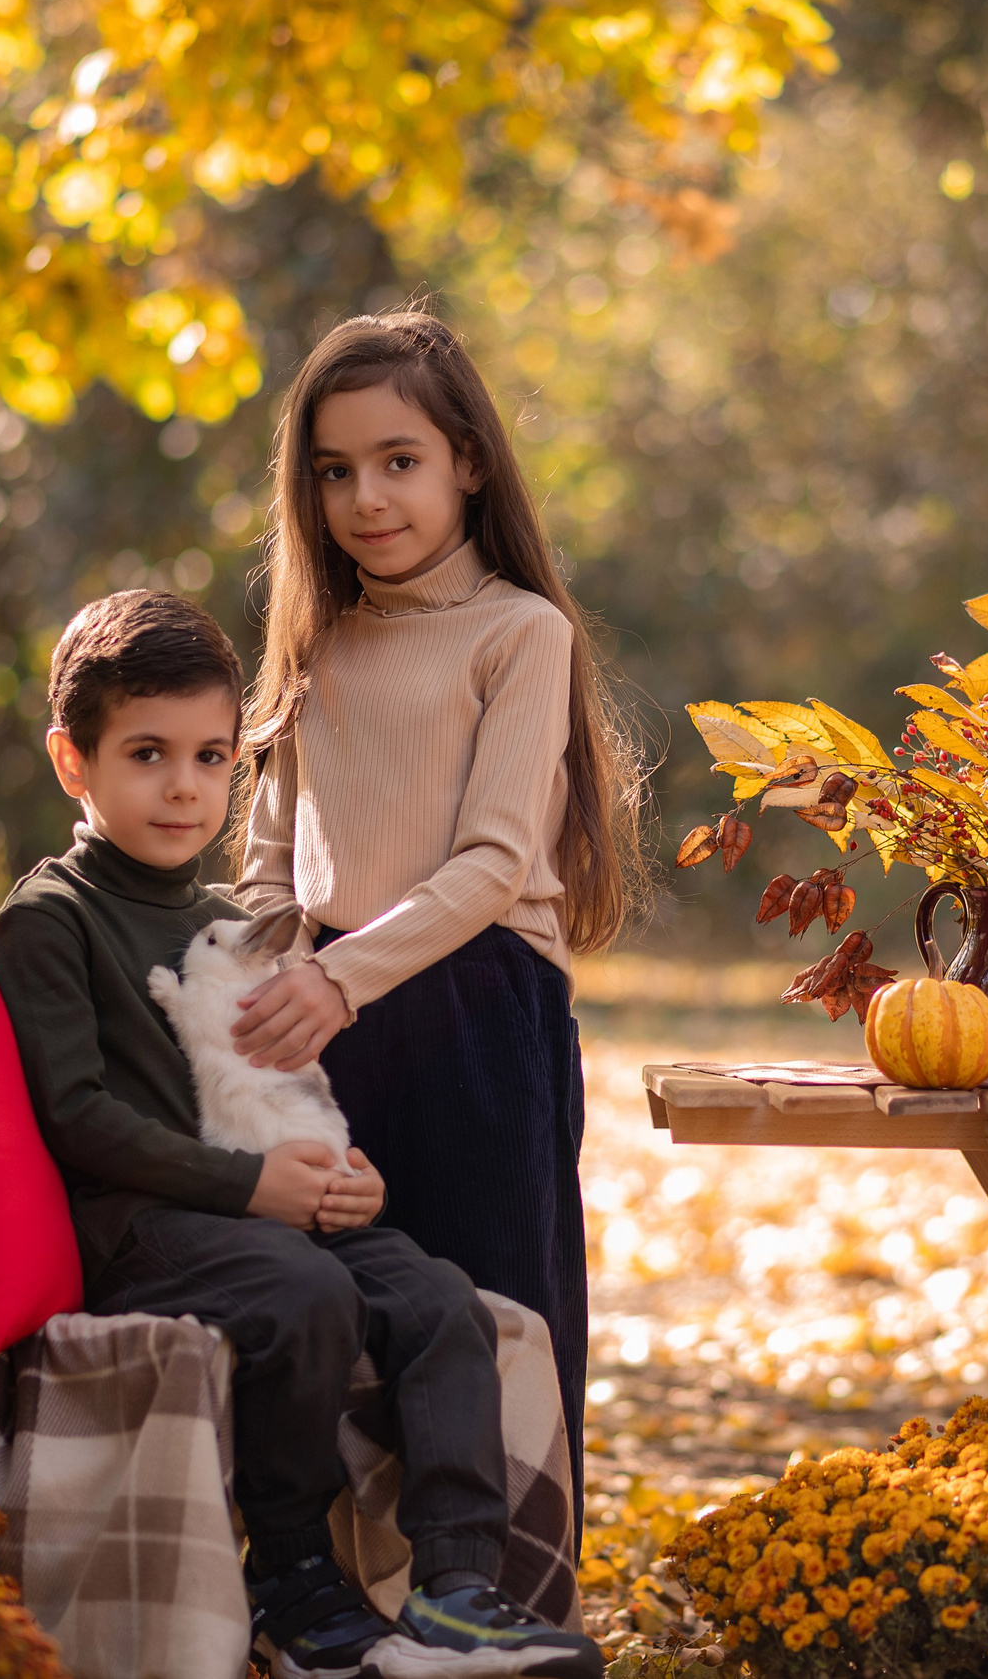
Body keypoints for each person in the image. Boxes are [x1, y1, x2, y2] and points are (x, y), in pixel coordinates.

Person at [0, 589, 599, 1679]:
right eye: (146, 753)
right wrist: (250, 1186)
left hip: (268, 1200)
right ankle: (293, 1577)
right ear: (73, 763)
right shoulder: (53, 917)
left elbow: (283, 1083)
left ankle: (457, 1587)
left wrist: (342, 1169)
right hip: (147, 1222)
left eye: (212, 754)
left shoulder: (231, 919)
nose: (184, 785)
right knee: (305, 1297)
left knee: (437, 1296)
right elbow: (78, 1117)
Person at [231, 311, 645, 1496]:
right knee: (348, 1304)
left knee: (491, 1304)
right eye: (334, 471)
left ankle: (509, 1596)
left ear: (467, 459)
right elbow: (269, 856)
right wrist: (271, 976)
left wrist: (337, 975)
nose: (367, 496)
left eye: (398, 461)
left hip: (476, 1012)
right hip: (325, 1018)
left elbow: (490, 862)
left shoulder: (521, 633)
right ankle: (353, 1598)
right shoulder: (314, 643)